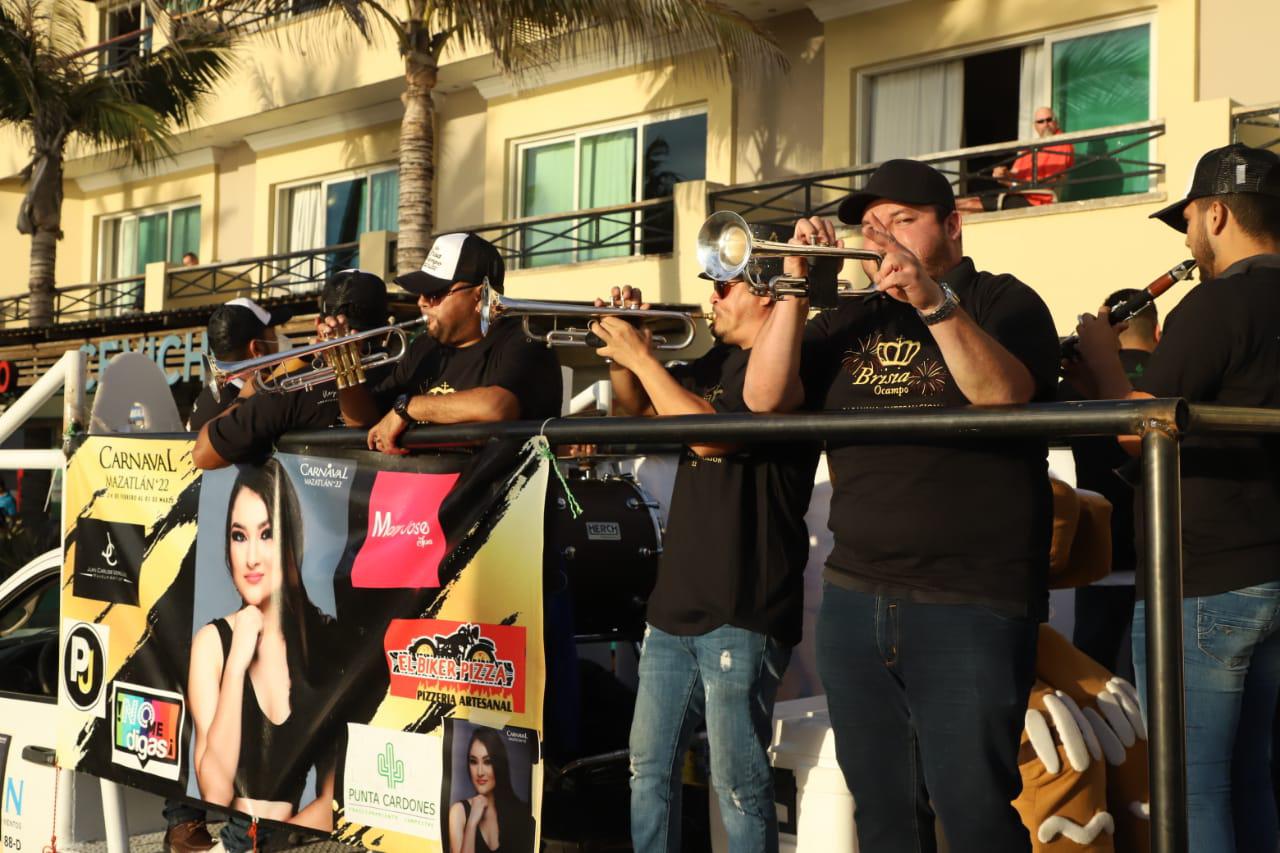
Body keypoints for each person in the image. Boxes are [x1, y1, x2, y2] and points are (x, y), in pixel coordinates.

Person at [743, 158, 1060, 852]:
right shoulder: (848, 318)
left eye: (903, 221)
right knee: (884, 817)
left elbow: (1002, 394)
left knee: (974, 813)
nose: (882, 237)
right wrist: (795, 284)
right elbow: (763, 398)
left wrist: (931, 301)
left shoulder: (1003, 300)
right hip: (857, 596)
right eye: (871, 226)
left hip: (969, 598)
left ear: (952, 225)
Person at [1070, 142, 1280, 853]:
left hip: (1203, 578)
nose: (1188, 240)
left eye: (1188, 221)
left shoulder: (1216, 303)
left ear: (1216, 214)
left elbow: (1143, 430)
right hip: (1270, 568)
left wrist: (1104, 359)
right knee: (1253, 779)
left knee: (1191, 787)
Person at [593, 261, 819, 851]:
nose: (711, 299)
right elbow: (639, 414)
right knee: (647, 769)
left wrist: (644, 360)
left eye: (723, 286)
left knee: (738, 783)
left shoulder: (788, 370)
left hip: (742, 602)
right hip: (677, 603)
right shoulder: (714, 363)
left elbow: (712, 435)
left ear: (766, 295)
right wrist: (623, 352)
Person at [188, 462, 336, 832]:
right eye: (239, 536)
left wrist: (270, 843)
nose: (251, 557)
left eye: (267, 534)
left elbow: (336, 801)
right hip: (233, 837)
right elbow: (215, 793)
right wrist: (237, 664)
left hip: (294, 841)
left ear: (291, 539)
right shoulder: (213, 645)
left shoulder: (323, 643)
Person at [338, 232, 563, 448]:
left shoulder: (526, 340)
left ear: (480, 296)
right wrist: (344, 367)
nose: (421, 302)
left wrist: (410, 408)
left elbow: (497, 407)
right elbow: (365, 421)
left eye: (434, 293)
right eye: (421, 293)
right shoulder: (424, 347)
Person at [192, 270, 390, 469]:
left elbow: (202, 455)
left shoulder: (289, 390)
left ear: (319, 325)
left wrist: (244, 399)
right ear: (387, 328)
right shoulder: (405, 374)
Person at [1061, 288, 1160, 679]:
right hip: (1159, 553)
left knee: (1094, 682)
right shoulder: (1169, 377)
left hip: (1098, 551)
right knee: (1157, 681)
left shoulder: (1074, 384)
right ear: (1157, 333)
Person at [187, 298, 293, 432]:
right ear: (257, 349)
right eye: (274, 335)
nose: (280, 340)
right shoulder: (251, 411)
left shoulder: (212, 400)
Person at [958, 107, 1075, 212]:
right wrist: (1004, 173)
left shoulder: (1061, 143)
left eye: (1049, 120)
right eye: (1041, 121)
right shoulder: (1032, 147)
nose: (1046, 124)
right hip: (1020, 195)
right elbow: (1014, 174)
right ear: (1035, 126)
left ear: (1056, 122)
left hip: (1037, 201)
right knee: (966, 205)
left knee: (968, 205)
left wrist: (1013, 183)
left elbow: (1051, 181)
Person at [447, 727, 534, 853]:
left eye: (487, 762)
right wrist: (472, 822)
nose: (480, 772)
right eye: (473, 762)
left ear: (499, 765)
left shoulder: (519, 812)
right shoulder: (458, 812)